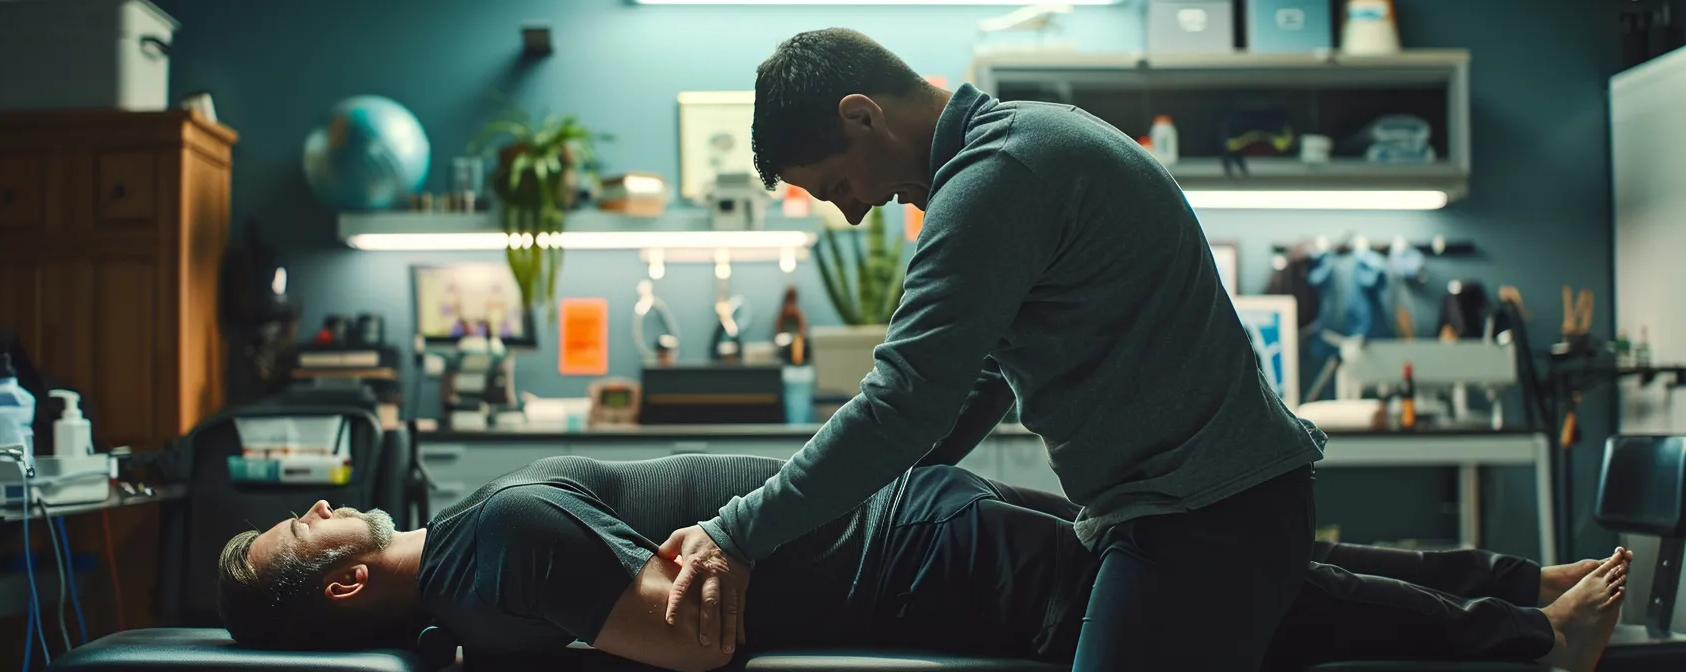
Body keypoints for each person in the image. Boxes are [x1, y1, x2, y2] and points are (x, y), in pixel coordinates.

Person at [657, 27, 1327, 671]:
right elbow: (978, 374)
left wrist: (735, 533)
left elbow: (904, 403)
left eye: (837, 186)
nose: (856, 212)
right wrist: (875, 492)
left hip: (1202, 518)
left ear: (863, 117)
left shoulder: (995, 175)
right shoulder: (1020, 140)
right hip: (1200, 505)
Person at [214, 454, 1630, 672]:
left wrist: (669, 585)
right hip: (916, 544)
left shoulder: (481, 537)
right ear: (336, 581)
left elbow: (687, 637)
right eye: (300, 526)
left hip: (913, 543)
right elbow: (682, 628)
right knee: (1239, 580)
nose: (319, 501)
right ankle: (1519, 607)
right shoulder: (472, 560)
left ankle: (1520, 627)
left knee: (1235, 593)